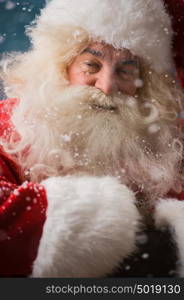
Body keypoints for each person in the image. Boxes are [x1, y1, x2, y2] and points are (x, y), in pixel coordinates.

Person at [0, 0, 184, 278]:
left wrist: (172, 239)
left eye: (125, 70)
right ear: (61, 66)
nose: (107, 86)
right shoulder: (11, 124)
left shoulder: (168, 141)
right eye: (91, 65)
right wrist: (82, 225)